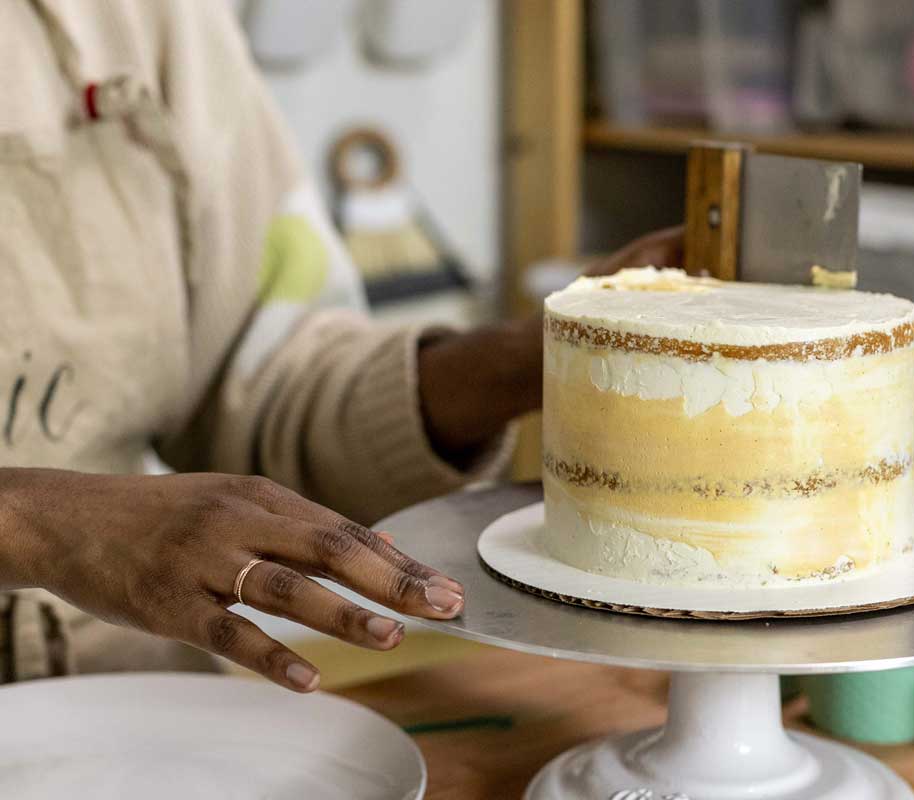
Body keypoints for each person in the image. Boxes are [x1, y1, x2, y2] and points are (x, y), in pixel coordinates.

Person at [0, 1, 682, 691]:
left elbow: (269, 385)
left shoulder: (145, 16)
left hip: (126, 690)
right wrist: (32, 523)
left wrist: (542, 354)